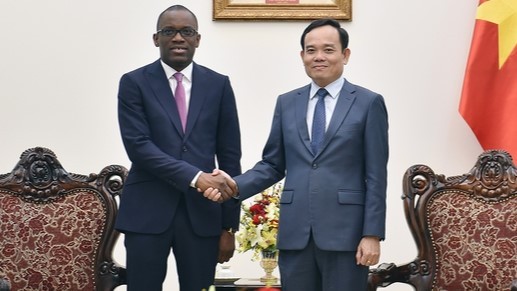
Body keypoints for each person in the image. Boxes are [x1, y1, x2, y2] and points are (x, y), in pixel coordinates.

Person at [205, 18, 389, 290]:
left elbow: (376, 174)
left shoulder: (368, 103)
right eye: (311, 50)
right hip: (295, 233)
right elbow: (272, 164)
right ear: (302, 56)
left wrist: (372, 234)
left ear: (345, 55)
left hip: (346, 235)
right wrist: (232, 186)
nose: (319, 57)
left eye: (328, 49)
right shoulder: (287, 102)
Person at [115, 5, 241, 291]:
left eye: (186, 31)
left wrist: (228, 227)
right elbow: (139, 148)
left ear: (197, 39)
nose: (178, 38)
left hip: (203, 216)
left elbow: (230, 157)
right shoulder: (134, 83)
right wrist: (196, 177)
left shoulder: (218, 85)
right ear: (156, 38)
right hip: (146, 214)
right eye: (169, 31)